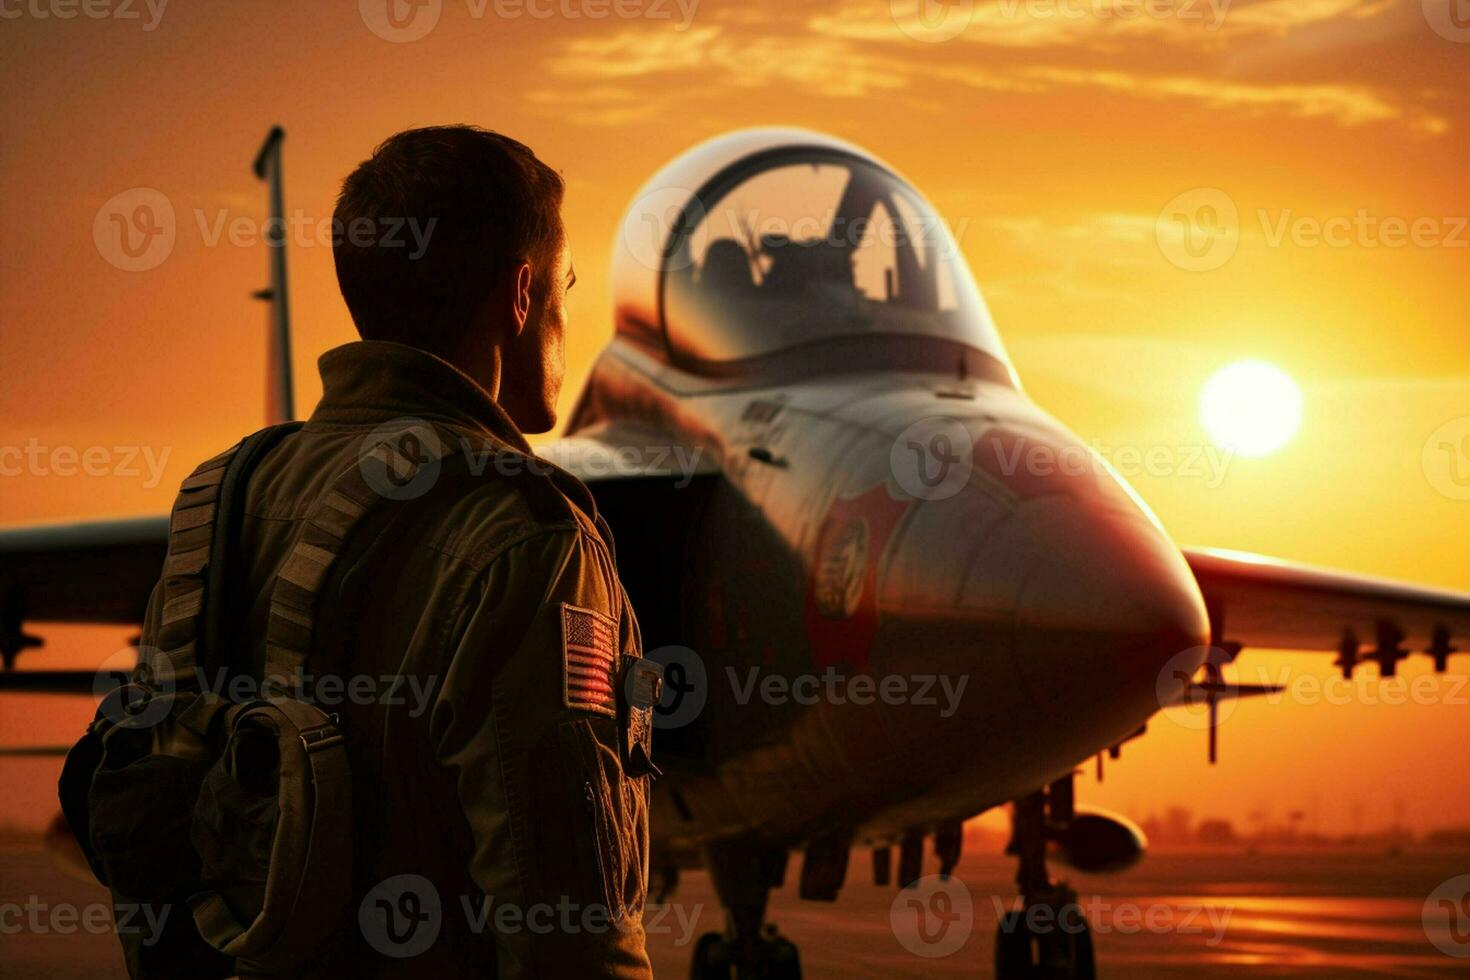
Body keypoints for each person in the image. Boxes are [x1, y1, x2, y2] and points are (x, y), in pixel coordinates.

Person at [211, 125, 652, 976]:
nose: (566, 312)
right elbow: (567, 926)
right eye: (562, 285)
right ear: (520, 295)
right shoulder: (529, 535)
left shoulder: (225, 499)